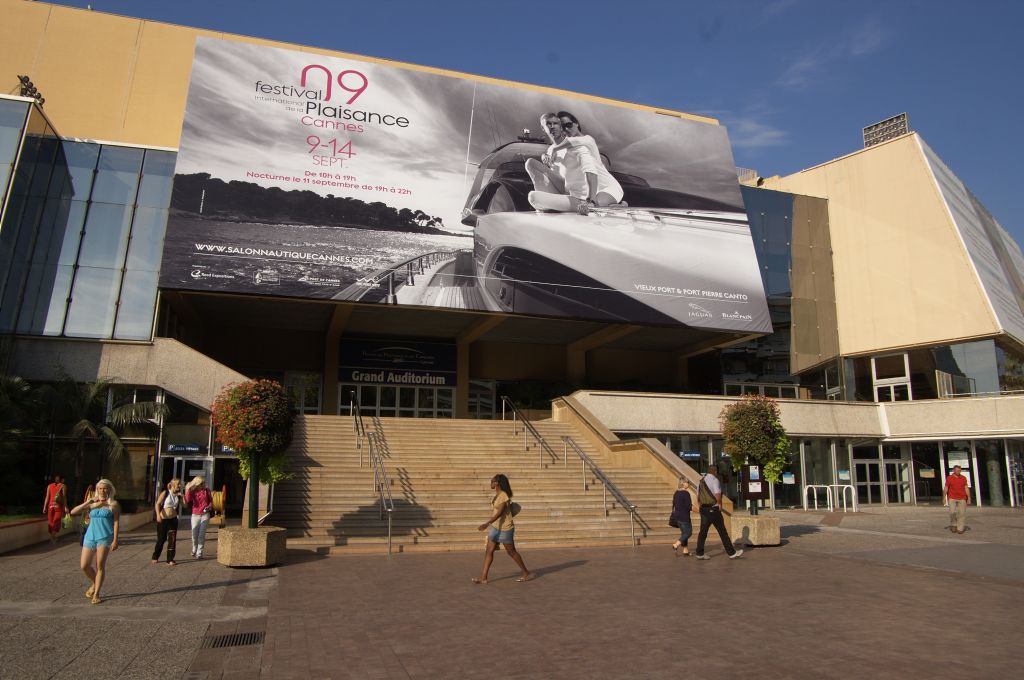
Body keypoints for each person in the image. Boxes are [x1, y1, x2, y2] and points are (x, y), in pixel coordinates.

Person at [472, 474, 531, 584]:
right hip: (495, 527)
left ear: (497, 483)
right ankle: (484, 577)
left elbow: (500, 512)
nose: (491, 482)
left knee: (511, 552)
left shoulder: (503, 495)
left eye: (492, 481)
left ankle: (525, 572)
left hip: (505, 528)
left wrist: (487, 523)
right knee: (489, 551)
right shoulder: (497, 494)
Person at [69, 478, 119, 604]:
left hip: (104, 537)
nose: (102, 490)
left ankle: (96, 594)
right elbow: (73, 512)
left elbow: (116, 522)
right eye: (100, 488)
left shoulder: (113, 505)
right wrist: (88, 502)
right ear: (97, 490)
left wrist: (115, 540)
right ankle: (94, 582)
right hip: (90, 537)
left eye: (104, 488)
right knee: (84, 565)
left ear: (109, 489)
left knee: (100, 566)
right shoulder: (92, 503)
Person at [694, 465, 743, 560]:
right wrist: (720, 505)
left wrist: (700, 506)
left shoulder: (701, 482)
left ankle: (699, 553)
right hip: (714, 509)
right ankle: (732, 553)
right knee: (722, 531)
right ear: (715, 471)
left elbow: (698, 496)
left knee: (703, 532)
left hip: (704, 509)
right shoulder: (715, 481)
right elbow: (718, 495)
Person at [152, 478, 183, 566]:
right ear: (173, 485)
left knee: (172, 540)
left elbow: (185, 505)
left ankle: (170, 559)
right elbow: (157, 503)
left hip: (173, 519)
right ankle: (155, 556)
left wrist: (183, 497)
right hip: (163, 519)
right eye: (178, 484)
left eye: (180, 484)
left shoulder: (178, 495)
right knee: (161, 539)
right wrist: (158, 515)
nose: (180, 486)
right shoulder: (165, 493)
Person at [184, 475, 214, 559]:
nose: (203, 484)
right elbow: (187, 500)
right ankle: (194, 548)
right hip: (195, 514)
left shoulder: (207, 490)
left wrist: (209, 506)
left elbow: (211, 501)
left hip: (205, 514)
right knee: (194, 534)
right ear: (197, 484)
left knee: (201, 534)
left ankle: (199, 552)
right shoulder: (193, 491)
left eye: (203, 483)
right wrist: (187, 489)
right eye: (201, 483)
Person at [943, 465, 971, 534]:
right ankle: (953, 524)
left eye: (959, 470)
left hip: (962, 498)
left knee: (962, 513)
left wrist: (969, 497)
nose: (958, 472)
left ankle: (960, 528)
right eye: (957, 470)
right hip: (952, 497)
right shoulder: (949, 478)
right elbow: (946, 488)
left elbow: (966, 488)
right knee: (952, 512)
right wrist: (944, 497)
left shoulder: (963, 478)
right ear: (954, 470)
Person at [670, 478, 693, 556]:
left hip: (677, 516)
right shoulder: (686, 493)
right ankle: (676, 545)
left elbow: (674, 504)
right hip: (684, 517)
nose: (689, 483)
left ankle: (685, 550)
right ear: (683, 483)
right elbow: (689, 506)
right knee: (688, 532)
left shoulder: (676, 492)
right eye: (687, 482)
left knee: (684, 533)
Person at [42, 474, 68, 542]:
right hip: (58, 507)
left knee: (51, 522)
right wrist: (66, 507)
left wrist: (44, 507)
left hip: (50, 506)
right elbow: (64, 498)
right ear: (62, 479)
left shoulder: (49, 486)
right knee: (56, 522)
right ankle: (52, 538)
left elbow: (47, 497)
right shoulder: (63, 486)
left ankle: (52, 537)